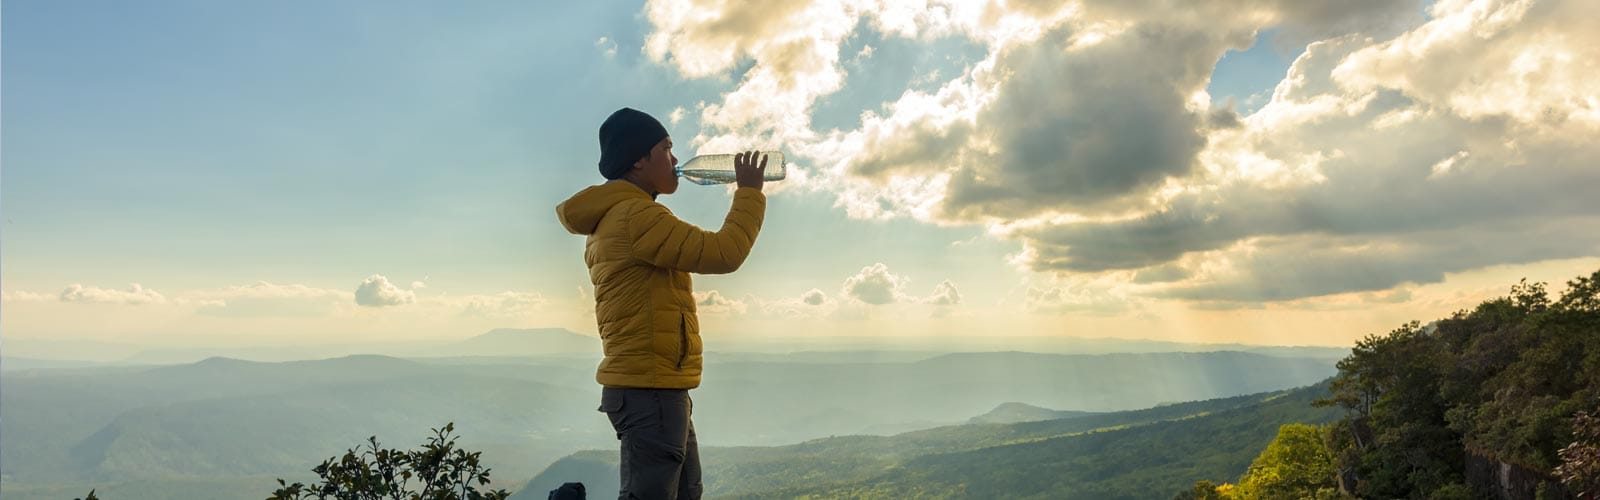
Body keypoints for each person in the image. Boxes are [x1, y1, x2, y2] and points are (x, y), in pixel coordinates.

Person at [555, 107, 768, 500]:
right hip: (649, 390)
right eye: (666, 148)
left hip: (656, 387)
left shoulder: (617, 217)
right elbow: (724, 253)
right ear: (638, 159)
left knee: (687, 492)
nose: (674, 159)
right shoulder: (636, 216)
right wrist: (750, 193)